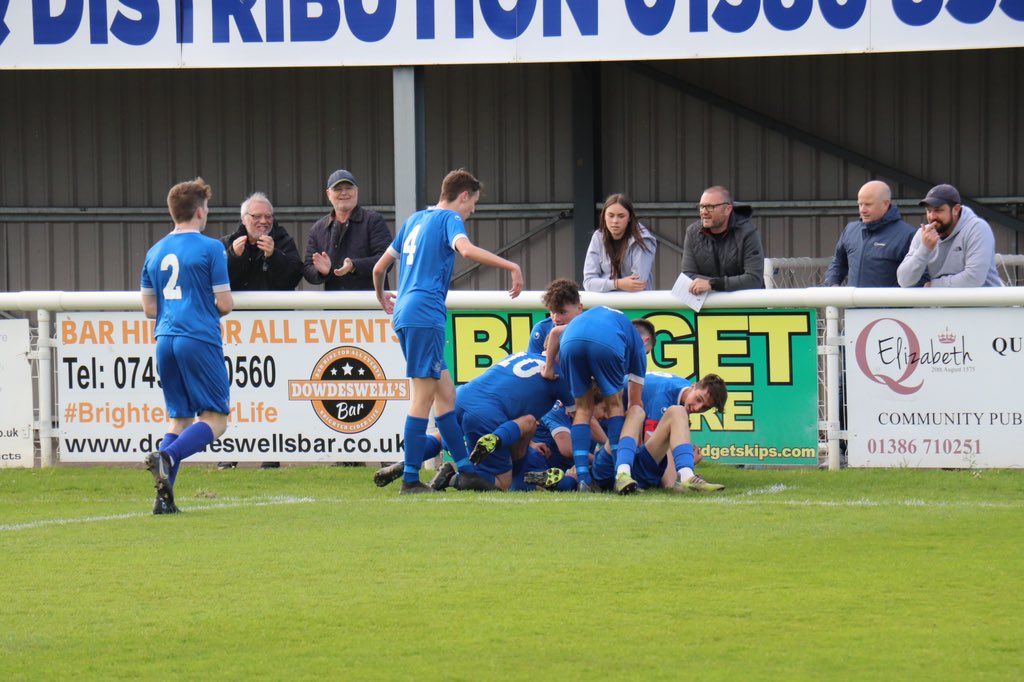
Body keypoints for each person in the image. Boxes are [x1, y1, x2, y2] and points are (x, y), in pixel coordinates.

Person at [372, 169, 524, 494]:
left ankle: (466, 471)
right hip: (425, 314)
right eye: (474, 204)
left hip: (407, 311)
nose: (473, 211)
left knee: (446, 394)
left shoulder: (414, 220)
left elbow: (379, 268)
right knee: (423, 396)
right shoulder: (449, 219)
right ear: (463, 195)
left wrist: (381, 295)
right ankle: (411, 479)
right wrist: (512, 266)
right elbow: (466, 251)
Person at [140, 178, 233, 514]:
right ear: (199, 211)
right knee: (216, 418)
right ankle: (168, 456)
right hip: (198, 337)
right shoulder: (211, 248)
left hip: (164, 338)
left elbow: (150, 309)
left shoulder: (154, 251)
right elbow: (224, 303)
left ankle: (162, 501)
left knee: (178, 420)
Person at [217, 192, 303, 471]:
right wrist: (235, 257)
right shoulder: (229, 244)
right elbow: (220, 282)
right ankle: (229, 453)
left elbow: (293, 276)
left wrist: (273, 255)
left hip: (275, 333)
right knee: (235, 393)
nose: (264, 222)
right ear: (245, 219)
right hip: (238, 335)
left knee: (275, 394)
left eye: (268, 216)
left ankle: (272, 454)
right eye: (257, 217)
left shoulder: (284, 242)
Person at [542, 306, 649, 495]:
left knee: (583, 410)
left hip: (570, 342)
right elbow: (635, 403)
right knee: (616, 406)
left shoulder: (595, 318)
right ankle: (620, 475)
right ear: (646, 342)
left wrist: (549, 368)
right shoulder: (638, 346)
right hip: (605, 344)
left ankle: (583, 480)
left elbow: (556, 332)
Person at [897, 183, 1002, 288]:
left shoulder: (977, 228)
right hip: (944, 303)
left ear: (956, 209)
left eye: (938, 210)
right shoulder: (923, 234)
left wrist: (933, 287)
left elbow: (974, 278)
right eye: (928, 211)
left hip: (982, 303)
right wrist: (925, 249)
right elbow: (904, 280)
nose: (932, 216)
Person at [304, 169, 392, 291]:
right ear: (328, 194)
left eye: (349, 188)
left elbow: (387, 260)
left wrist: (354, 266)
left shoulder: (374, 221)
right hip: (335, 306)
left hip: (369, 304)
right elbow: (307, 269)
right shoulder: (318, 229)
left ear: (357, 191)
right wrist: (322, 272)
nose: (344, 193)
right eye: (338, 189)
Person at [823, 181, 918, 287]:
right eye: (860, 204)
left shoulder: (907, 235)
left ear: (885, 204)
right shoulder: (851, 230)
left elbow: (919, 277)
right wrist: (832, 285)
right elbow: (838, 262)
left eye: (868, 205)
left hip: (888, 303)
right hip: (851, 303)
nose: (862, 210)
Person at [681, 185, 765, 294]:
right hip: (707, 308)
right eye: (701, 207)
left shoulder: (748, 233)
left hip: (745, 308)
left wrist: (712, 284)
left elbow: (754, 279)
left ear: (728, 209)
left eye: (710, 207)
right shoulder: (692, 233)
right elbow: (687, 276)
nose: (704, 212)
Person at [582, 194, 657, 293]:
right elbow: (588, 282)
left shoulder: (643, 239)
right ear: (604, 216)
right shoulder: (598, 237)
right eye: (611, 215)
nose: (615, 221)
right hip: (605, 304)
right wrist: (617, 283)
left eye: (621, 216)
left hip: (636, 304)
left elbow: (637, 283)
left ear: (630, 217)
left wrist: (603, 284)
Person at [527, 278, 583, 355]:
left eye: (562, 312)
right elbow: (534, 363)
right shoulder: (541, 330)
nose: (556, 319)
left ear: (579, 308)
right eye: (553, 312)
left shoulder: (590, 331)